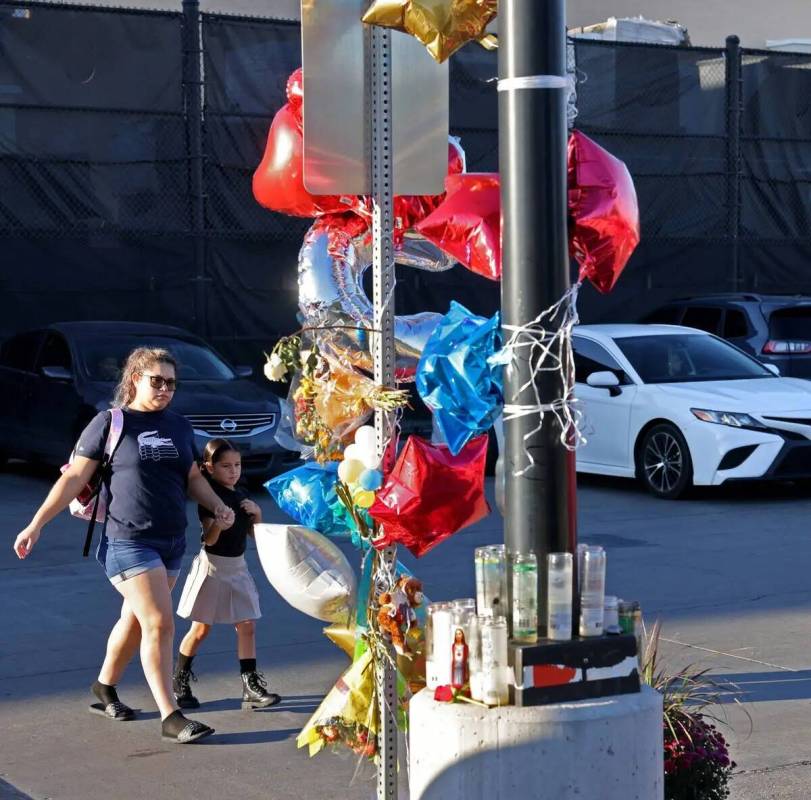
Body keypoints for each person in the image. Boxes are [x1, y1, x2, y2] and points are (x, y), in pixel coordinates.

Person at [12, 347, 235, 744]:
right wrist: (35, 524)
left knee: (134, 621)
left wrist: (217, 504)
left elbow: (192, 478)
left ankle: (104, 687)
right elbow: (73, 479)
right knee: (159, 623)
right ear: (135, 378)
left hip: (171, 540)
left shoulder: (180, 427)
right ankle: (171, 716)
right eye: (157, 381)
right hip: (127, 541)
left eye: (171, 383)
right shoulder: (110, 423)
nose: (165, 389)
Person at [173, 438, 281, 711]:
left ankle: (250, 685)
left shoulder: (242, 493)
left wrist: (257, 515)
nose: (233, 471)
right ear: (208, 467)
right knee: (200, 629)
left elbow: (251, 534)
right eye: (225, 466)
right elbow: (209, 540)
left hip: (238, 567)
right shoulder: (208, 497)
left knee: (247, 625)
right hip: (213, 568)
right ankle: (180, 681)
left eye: (237, 465)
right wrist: (219, 525)